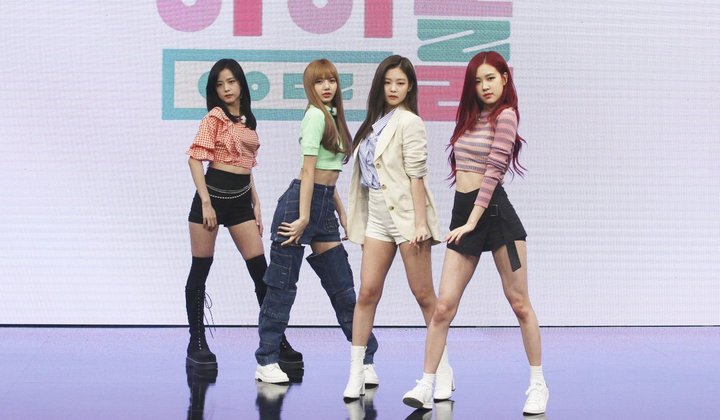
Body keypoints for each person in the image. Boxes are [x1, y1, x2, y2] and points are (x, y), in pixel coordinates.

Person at [401, 51, 549, 415]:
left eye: (491, 78)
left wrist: (471, 222)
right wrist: (463, 220)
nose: (485, 86)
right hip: (464, 212)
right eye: (478, 81)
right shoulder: (470, 116)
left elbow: (494, 171)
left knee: (520, 304)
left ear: (504, 79)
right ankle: (426, 383)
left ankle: (538, 384)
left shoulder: (507, 115)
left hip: (495, 215)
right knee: (444, 307)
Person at [254, 59, 378, 384]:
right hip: (299, 206)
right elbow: (308, 171)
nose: (326, 86)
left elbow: (328, 178)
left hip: (321, 205)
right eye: (320, 81)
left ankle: (365, 359)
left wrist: (342, 214)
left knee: (342, 287)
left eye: (331, 81)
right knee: (282, 287)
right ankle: (266, 360)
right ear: (310, 86)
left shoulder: (333, 116)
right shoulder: (314, 116)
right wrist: (304, 217)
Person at [342, 55, 453, 401]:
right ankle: (356, 372)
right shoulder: (373, 122)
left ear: (410, 87)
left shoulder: (410, 122)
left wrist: (419, 223)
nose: (393, 89)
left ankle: (442, 371)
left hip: (406, 216)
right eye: (388, 82)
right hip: (377, 216)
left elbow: (417, 177)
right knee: (367, 293)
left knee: (424, 295)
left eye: (400, 83)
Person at [184, 59, 302, 370]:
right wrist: (206, 203)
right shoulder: (214, 118)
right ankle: (197, 342)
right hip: (212, 198)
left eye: (231, 82)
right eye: (220, 84)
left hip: (240, 202)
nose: (226, 88)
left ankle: (275, 340)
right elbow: (195, 159)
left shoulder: (248, 121)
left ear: (240, 84)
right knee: (200, 270)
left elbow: (245, 166)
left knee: (261, 272)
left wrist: (256, 202)